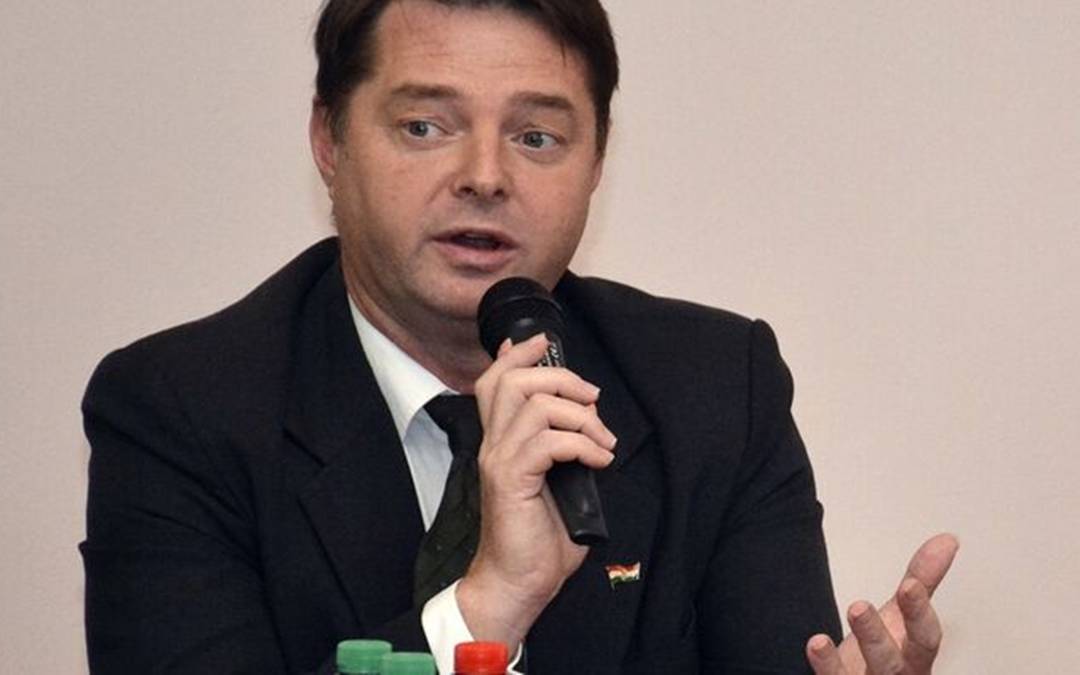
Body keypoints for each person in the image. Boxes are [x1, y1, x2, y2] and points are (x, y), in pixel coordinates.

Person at [80, 1, 959, 673]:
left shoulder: (718, 390)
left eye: (537, 136)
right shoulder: (179, 411)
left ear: (597, 161)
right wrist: (489, 602)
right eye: (425, 127)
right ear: (329, 140)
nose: (485, 177)